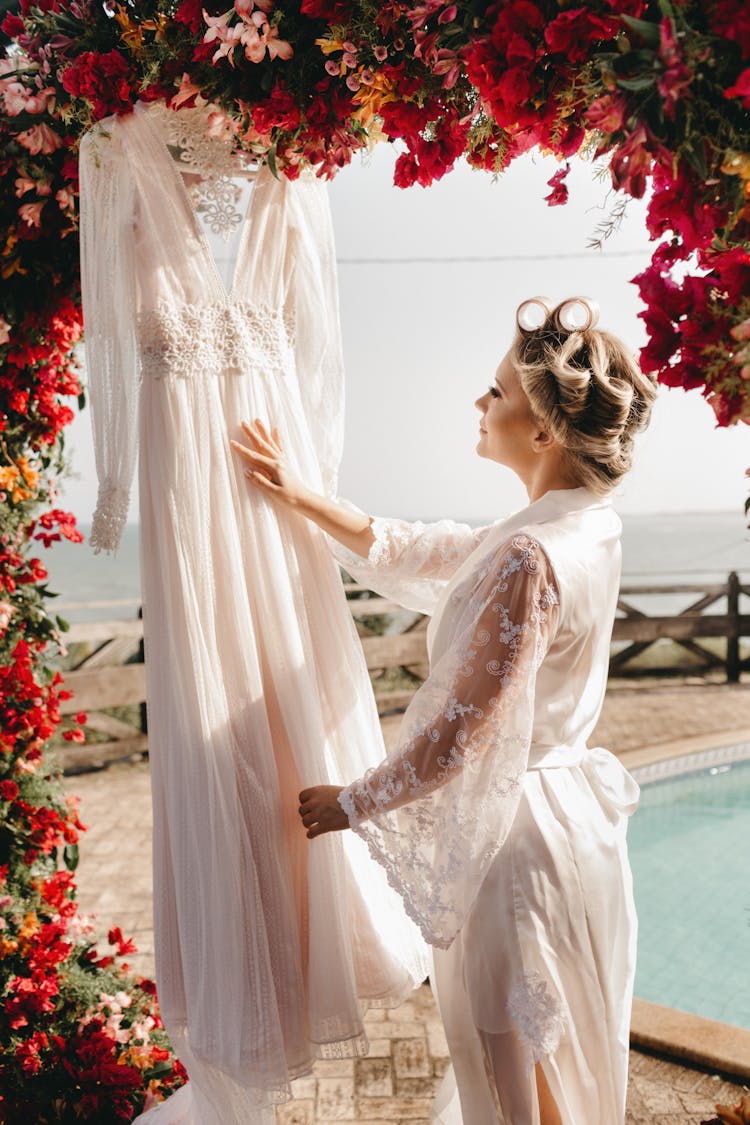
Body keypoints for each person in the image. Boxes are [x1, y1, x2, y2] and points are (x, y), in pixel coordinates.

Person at [230, 296, 658, 1125]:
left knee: (507, 1066)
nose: (479, 402)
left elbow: (467, 728)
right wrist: (304, 496)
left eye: (495, 393)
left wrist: (352, 800)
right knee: (550, 1059)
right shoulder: (581, 525)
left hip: (513, 841)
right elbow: (432, 549)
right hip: (569, 820)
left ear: (542, 431)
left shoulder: (531, 554)